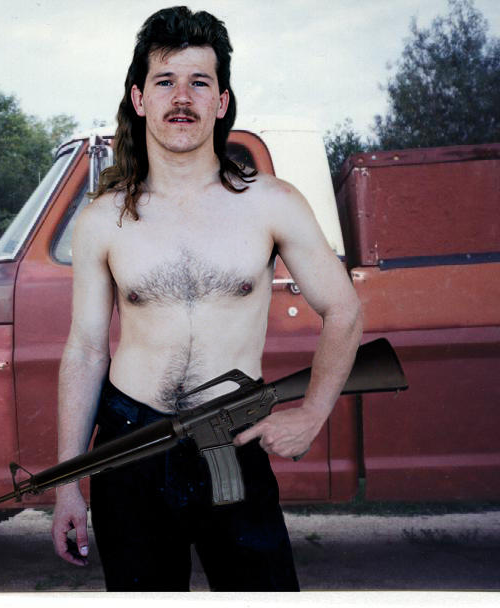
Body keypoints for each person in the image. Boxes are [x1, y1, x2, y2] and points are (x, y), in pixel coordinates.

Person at [50, 6, 363, 591]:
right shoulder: (103, 220)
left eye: (199, 82)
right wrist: (68, 482)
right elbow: (87, 349)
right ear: (139, 99)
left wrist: (313, 413)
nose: (182, 98)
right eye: (165, 81)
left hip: (232, 441)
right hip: (131, 445)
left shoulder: (271, 203)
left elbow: (343, 309)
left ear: (222, 102)